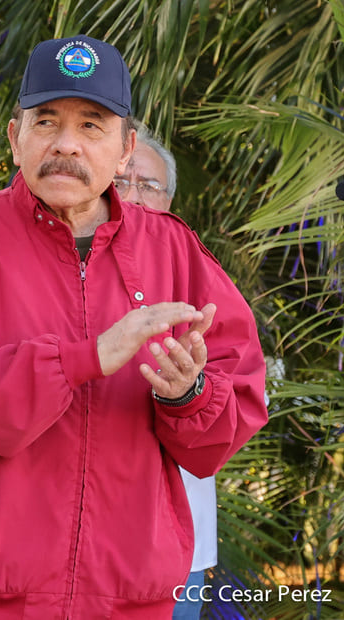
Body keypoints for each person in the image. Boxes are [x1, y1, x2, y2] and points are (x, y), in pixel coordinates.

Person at [0, 35, 268, 618]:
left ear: (125, 149)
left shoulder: (176, 252)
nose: (65, 144)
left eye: (91, 125)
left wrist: (187, 394)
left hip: (125, 598)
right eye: (46, 122)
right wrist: (87, 357)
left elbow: (225, 424)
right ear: (15, 139)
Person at [114, 124, 217, 620]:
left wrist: (188, 390)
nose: (133, 196)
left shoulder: (197, 271)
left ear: (170, 201)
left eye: (149, 186)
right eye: (120, 183)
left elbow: (236, 388)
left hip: (178, 537)